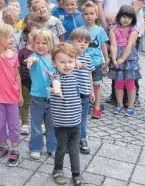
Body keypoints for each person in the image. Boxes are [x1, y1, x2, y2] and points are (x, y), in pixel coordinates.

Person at [98, 0, 145, 107]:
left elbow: (136, 6)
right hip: (112, 32)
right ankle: (115, 95)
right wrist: (106, 24)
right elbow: (100, 5)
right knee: (114, 63)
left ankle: (133, 95)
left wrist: (122, 22)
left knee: (130, 64)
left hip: (129, 32)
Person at [48, 43, 93, 186]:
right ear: (54, 63)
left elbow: (89, 68)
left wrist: (76, 61)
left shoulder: (74, 72)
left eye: (70, 62)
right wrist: (56, 90)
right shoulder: (56, 76)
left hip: (76, 122)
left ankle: (76, 174)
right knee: (61, 149)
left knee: (74, 149)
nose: (67, 65)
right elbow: (56, 83)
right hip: (62, 123)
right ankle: (57, 170)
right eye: (62, 62)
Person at [0, 23, 23, 167]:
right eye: (7, 37)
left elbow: (17, 75)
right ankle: (3, 146)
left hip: (12, 97)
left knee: (14, 124)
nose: (11, 39)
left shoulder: (14, 55)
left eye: (12, 36)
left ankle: (15, 148)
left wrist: (20, 94)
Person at [25, 29, 57, 160]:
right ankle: (36, 147)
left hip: (53, 98)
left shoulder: (55, 59)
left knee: (52, 125)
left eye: (44, 43)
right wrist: (31, 60)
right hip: (37, 98)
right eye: (37, 42)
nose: (40, 45)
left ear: (51, 44)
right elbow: (31, 60)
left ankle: (53, 147)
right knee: (36, 125)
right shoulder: (35, 57)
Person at [108, 6, 141, 117]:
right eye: (124, 17)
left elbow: (130, 45)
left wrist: (122, 59)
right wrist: (114, 59)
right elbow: (113, 45)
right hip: (117, 58)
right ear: (119, 16)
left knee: (130, 83)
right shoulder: (113, 30)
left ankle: (131, 106)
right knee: (118, 83)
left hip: (129, 59)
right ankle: (119, 104)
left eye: (129, 18)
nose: (126, 20)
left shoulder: (134, 30)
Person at [69, 28, 96, 155]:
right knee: (70, 117)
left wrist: (92, 91)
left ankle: (82, 138)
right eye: (79, 41)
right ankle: (69, 139)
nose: (82, 44)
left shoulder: (88, 58)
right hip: (71, 94)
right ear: (71, 42)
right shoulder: (68, 57)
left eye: (85, 42)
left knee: (82, 118)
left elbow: (90, 75)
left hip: (84, 93)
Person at [80, 1, 109, 119]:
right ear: (82, 15)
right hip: (82, 63)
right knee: (83, 85)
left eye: (92, 13)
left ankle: (97, 107)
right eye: (86, 14)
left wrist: (106, 59)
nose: (89, 16)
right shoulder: (80, 30)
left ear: (96, 15)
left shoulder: (100, 30)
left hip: (96, 62)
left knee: (96, 85)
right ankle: (84, 106)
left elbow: (103, 46)